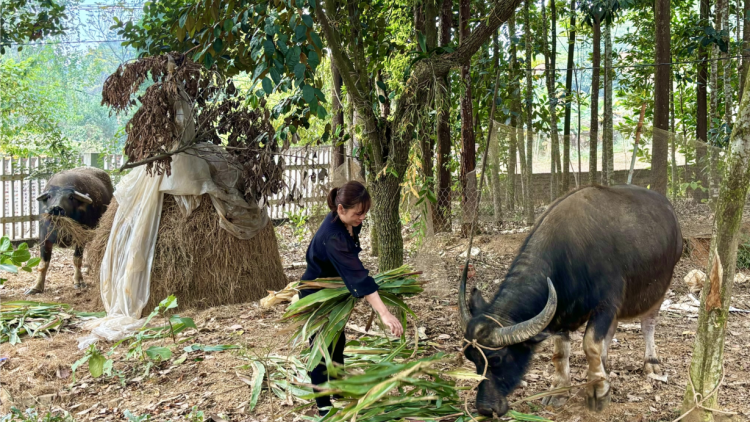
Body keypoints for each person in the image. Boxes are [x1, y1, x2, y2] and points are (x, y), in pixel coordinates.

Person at [300, 181, 404, 416]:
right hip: (316, 296)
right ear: (340, 209)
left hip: (333, 292)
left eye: (365, 212)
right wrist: (384, 313)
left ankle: (336, 388)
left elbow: (354, 269)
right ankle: (324, 408)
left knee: (337, 343)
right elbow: (358, 277)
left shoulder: (346, 221)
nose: (363, 217)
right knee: (321, 349)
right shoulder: (334, 237)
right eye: (358, 213)